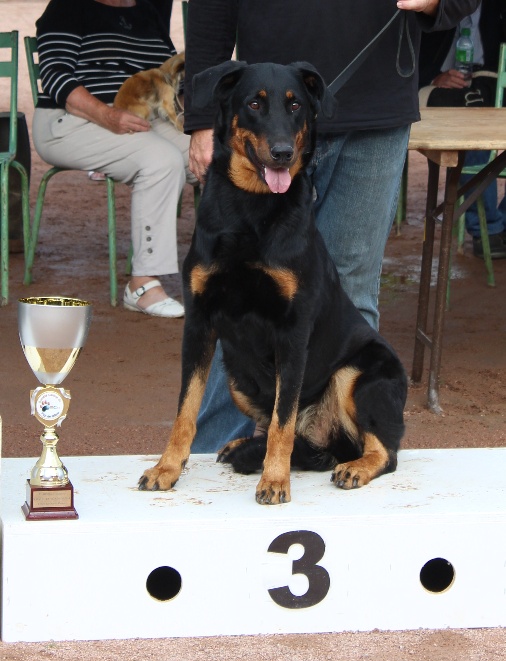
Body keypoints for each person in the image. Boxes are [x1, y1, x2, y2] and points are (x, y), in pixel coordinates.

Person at [181, 0, 481, 453]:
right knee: (233, 302)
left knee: (350, 294)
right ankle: (211, 460)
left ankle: (333, 458)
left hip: (374, 111)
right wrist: (204, 116)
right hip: (265, 110)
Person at [33, 0, 197, 318]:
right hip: (72, 120)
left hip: (143, 115)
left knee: (211, 153)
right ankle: (142, 285)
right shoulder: (67, 8)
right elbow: (54, 77)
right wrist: (107, 115)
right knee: (162, 161)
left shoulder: (150, 9)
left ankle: (231, 266)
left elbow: (165, 75)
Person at [419, 1, 506, 259]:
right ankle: (486, 230)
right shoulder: (433, 4)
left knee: (482, 113)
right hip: (440, 84)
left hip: (489, 81)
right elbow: (412, 50)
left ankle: (496, 226)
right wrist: (435, 76)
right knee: (476, 132)